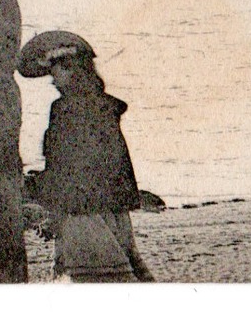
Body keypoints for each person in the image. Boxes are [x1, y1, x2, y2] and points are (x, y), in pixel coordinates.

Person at [19, 30, 155, 282]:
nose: (52, 80)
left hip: (83, 213)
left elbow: (67, 165)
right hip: (113, 211)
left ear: (73, 70)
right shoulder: (103, 107)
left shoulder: (66, 110)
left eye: (55, 72)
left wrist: (35, 187)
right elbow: (108, 165)